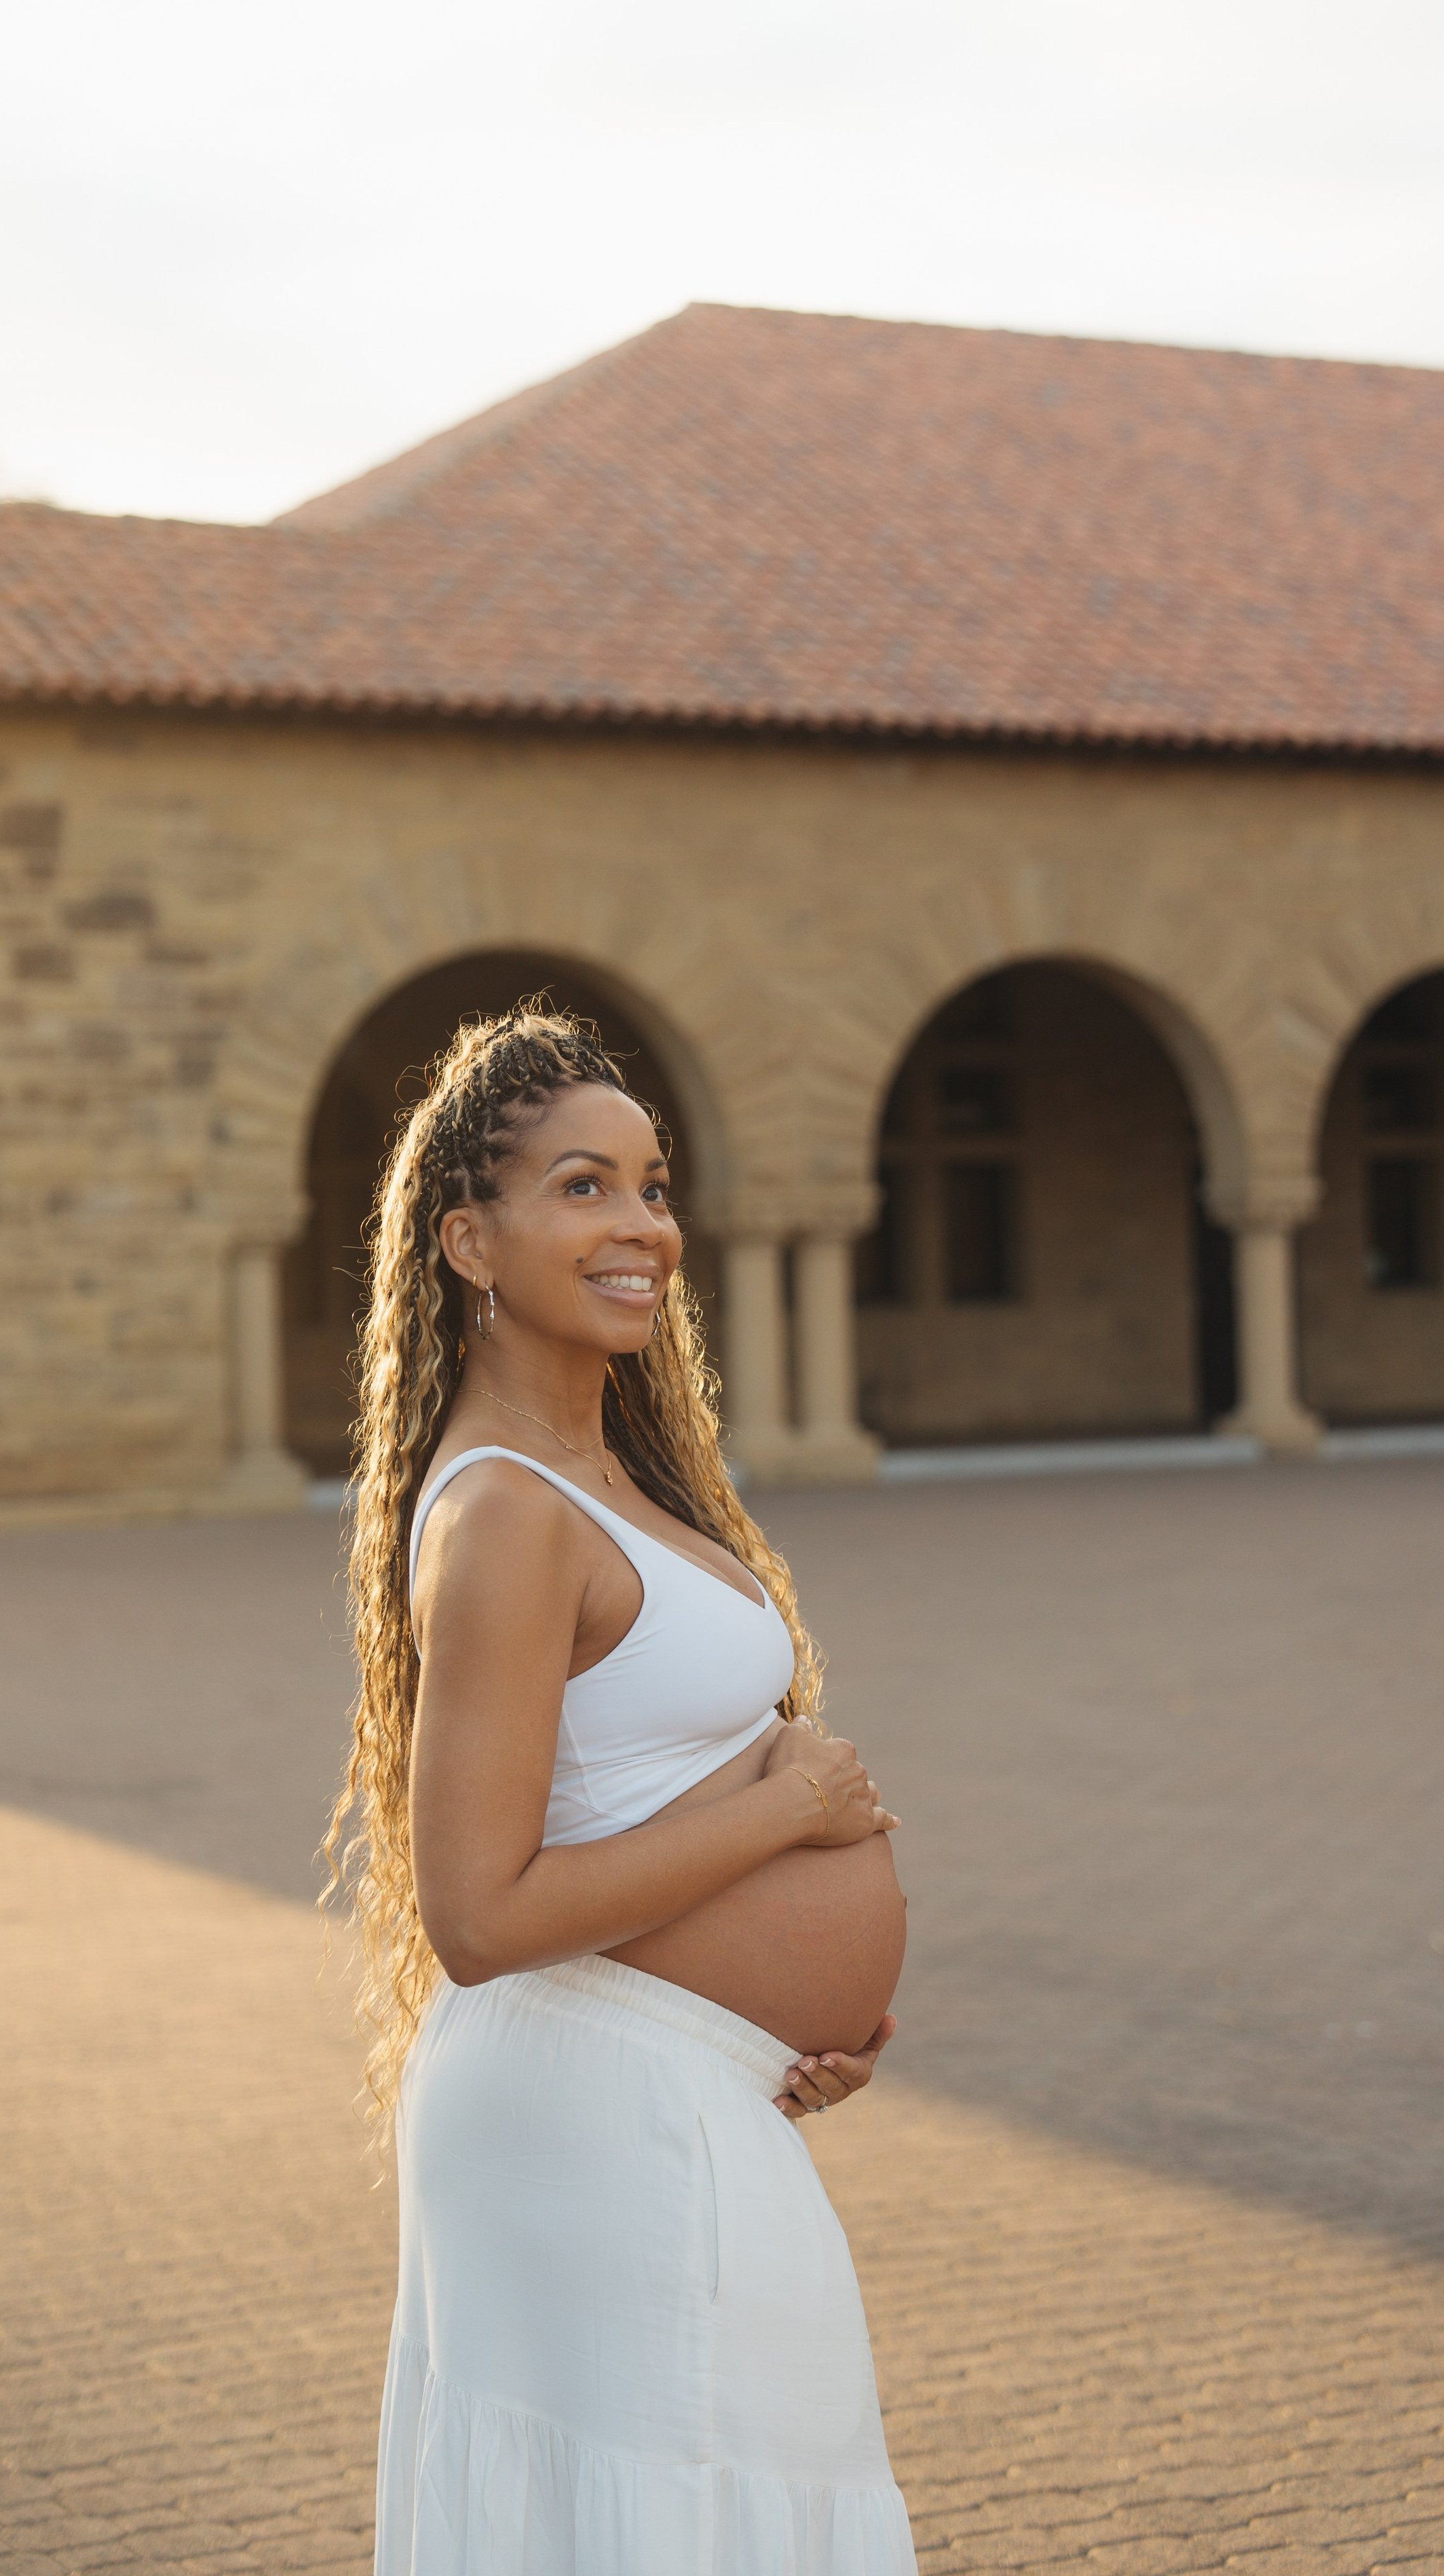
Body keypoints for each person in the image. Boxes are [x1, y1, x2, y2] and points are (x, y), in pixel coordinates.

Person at [325, 1003, 917, 2574]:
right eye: (581, 1187)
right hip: (582, 2107)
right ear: (466, 1238)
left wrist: (791, 2017)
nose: (642, 1225)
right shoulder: (507, 1517)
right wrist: (788, 1821)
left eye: (651, 1186)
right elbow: (478, 1912)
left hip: (680, 2092)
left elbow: (634, 1798)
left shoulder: (613, 1479)